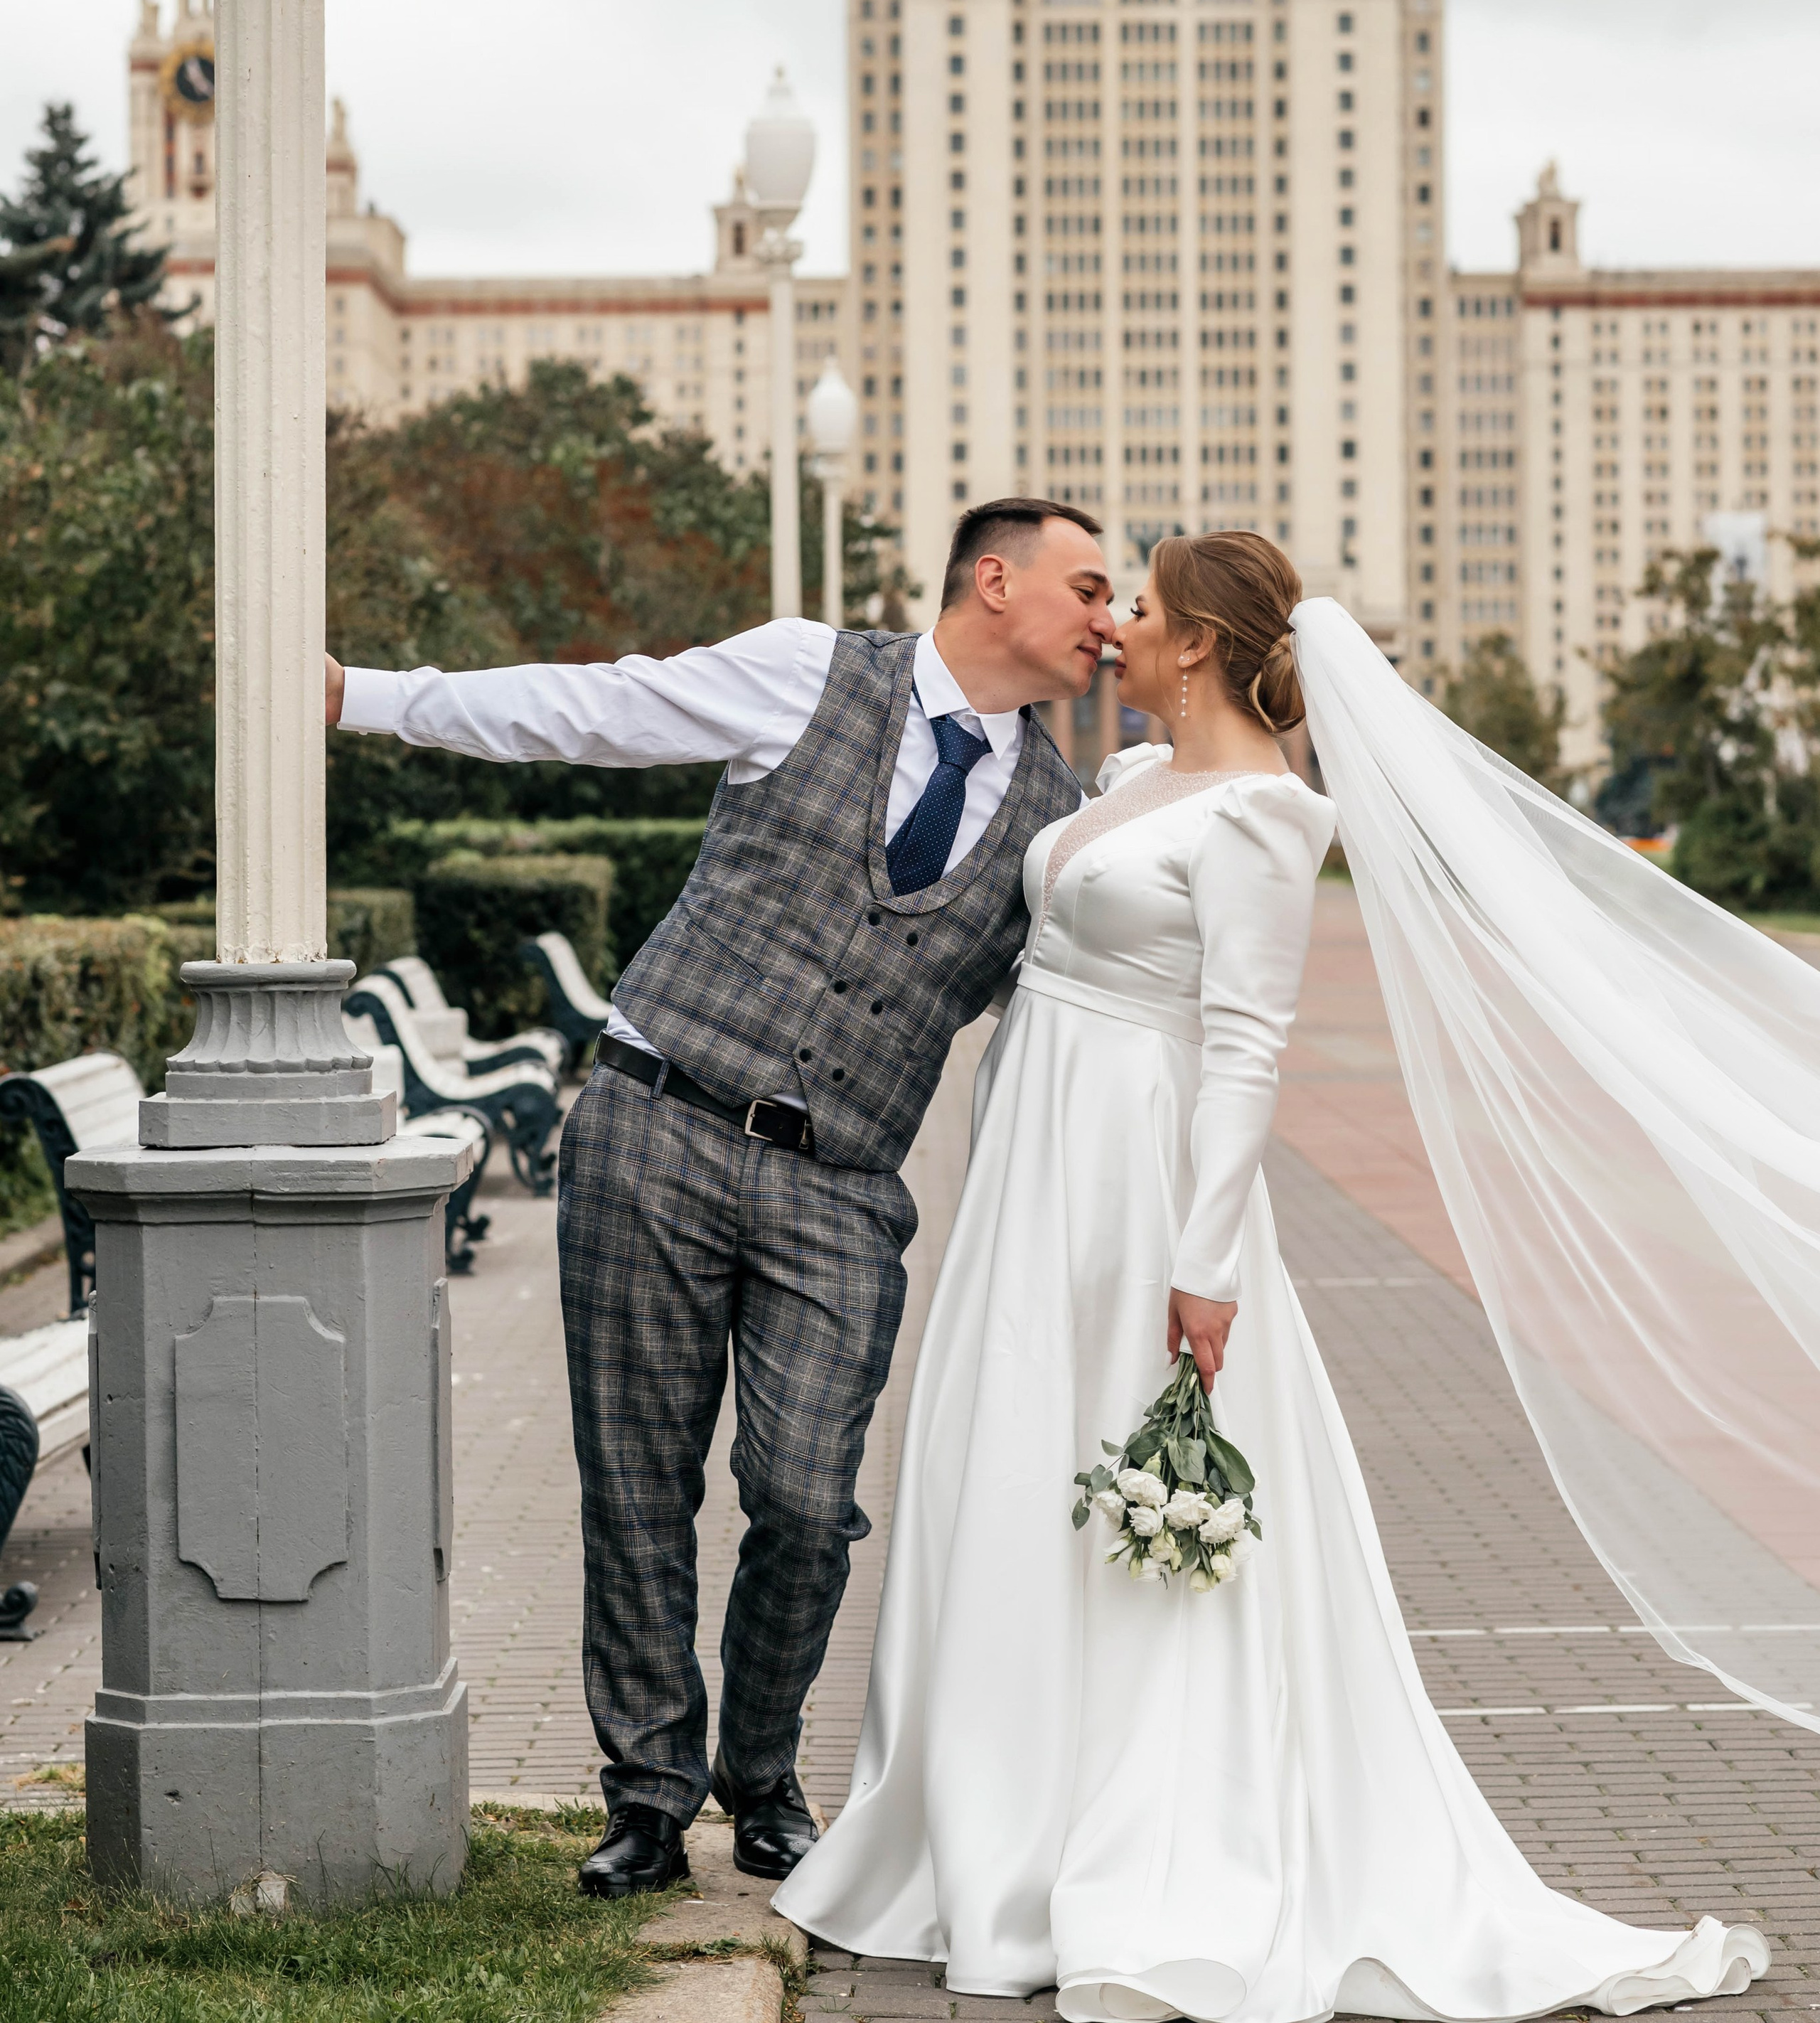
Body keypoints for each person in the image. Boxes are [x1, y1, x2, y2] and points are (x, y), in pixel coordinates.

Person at [775, 530, 1770, 2022]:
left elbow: (1242, 1043)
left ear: (1196, 646)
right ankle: (983, 1830)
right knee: (1007, 1465)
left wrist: (1205, 1263)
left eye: (1138, 609)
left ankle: (1139, 1841)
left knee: (1122, 1496)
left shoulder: (1257, 819)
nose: (1109, 626)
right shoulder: (1121, 786)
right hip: (1033, 1174)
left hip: (1135, 1189)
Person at [325, 498, 1108, 1897]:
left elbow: (1080, 1020)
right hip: (654, 1122)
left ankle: (760, 1772)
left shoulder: (1060, 824)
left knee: (806, 1501)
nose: (1108, 617)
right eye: (1089, 584)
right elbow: (592, 708)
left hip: (841, 1187)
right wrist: (365, 697)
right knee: (637, 1491)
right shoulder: (805, 669)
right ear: (995, 581)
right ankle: (644, 1795)